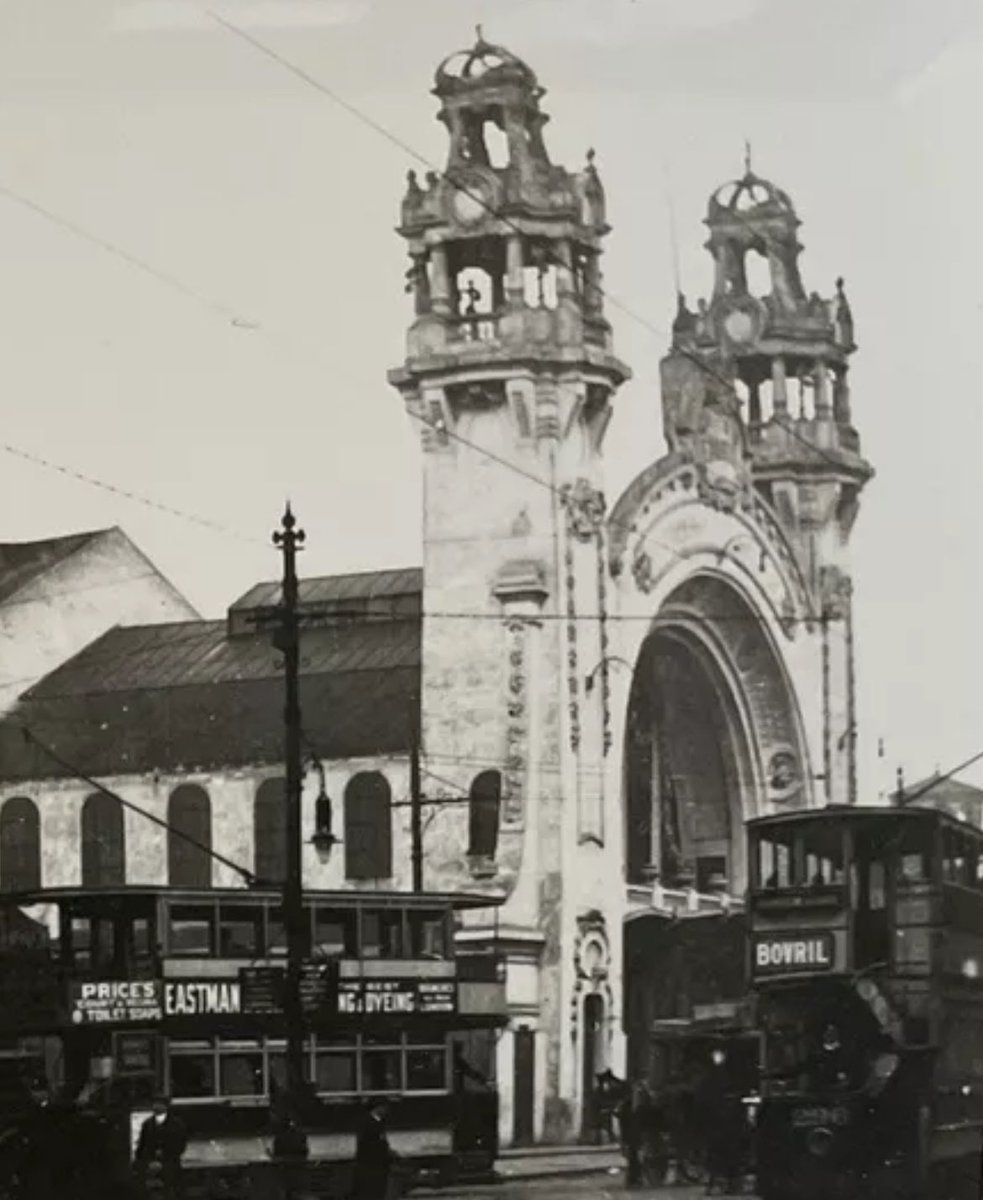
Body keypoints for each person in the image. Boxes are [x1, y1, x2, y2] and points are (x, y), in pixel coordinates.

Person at [135, 1095, 188, 1199]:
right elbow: (142, 1144)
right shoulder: (148, 1124)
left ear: (166, 1106)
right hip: (150, 1161)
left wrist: (164, 1159)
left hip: (170, 1161)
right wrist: (148, 1160)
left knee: (170, 1182)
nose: (156, 1106)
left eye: (159, 1104)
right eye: (154, 1103)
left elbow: (180, 1145)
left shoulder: (177, 1124)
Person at [351, 1098, 396, 1200]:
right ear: (378, 1108)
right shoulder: (367, 1123)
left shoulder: (378, 1122)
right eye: (384, 1107)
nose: (386, 1110)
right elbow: (369, 1143)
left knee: (378, 1191)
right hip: (370, 1164)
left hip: (377, 1163)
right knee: (372, 1191)